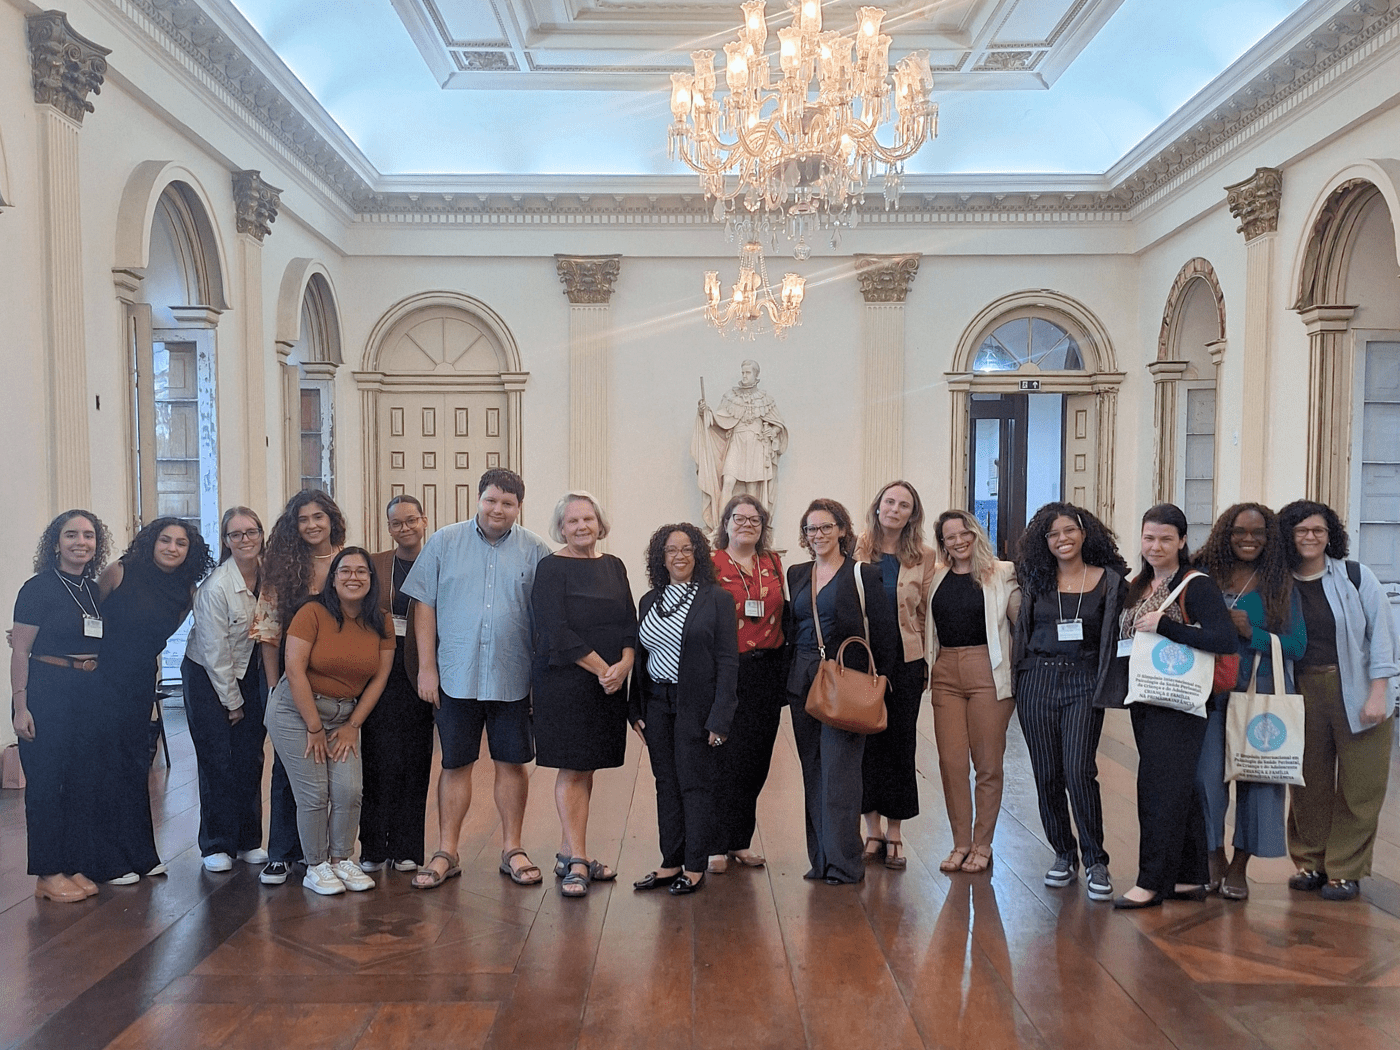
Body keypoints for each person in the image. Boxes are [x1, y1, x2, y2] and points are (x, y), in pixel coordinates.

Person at [403, 470, 551, 890]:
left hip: (512, 676)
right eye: (491, 500)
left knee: (512, 764)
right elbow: (424, 606)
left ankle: (512, 848)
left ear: (518, 506)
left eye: (507, 503)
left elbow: (544, 618)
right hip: (455, 675)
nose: (497, 509)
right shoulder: (445, 542)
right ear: (478, 499)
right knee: (454, 763)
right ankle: (447, 850)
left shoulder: (536, 550)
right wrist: (427, 668)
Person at [1114, 503, 1236, 909]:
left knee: (1157, 790)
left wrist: (1166, 626)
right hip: (1146, 696)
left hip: (1180, 702)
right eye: (1149, 537)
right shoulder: (1138, 583)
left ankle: (1151, 881)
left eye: (1166, 538)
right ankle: (1188, 876)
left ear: (1182, 541)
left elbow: (1224, 639)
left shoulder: (1196, 584)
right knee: (1174, 789)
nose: (1155, 546)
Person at [1278, 499, 1398, 902]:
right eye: (1301, 531)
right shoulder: (1280, 582)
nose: (1311, 538)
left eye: (1318, 531)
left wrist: (1380, 692)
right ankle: (1311, 862)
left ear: (1330, 536)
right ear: (1288, 537)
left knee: (1361, 785)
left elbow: (1382, 637)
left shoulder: (1355, 576)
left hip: (1360, 691)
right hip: (1303, 691)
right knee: (1307, 783)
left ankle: (1345, 870)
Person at [87, 517, 213, 884]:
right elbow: (83, 615)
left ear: (190, 551)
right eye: (165, 540)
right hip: (100, 679)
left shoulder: (187, 591)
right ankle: (107, 861)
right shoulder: (119, 572)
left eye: (181, 543)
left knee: (134, 767)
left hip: (140, 682)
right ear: (151, 542)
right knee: (106, 768)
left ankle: (141, 854)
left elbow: (158, 637)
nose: (172, 548)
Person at [1012, 503, 1128, 901]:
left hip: (1083, 680)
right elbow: (1022, 631)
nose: (1062, 539)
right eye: (1053, 534)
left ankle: (1097, 860)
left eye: (1068, 531)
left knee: (1079, 770)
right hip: (1038, 679)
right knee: (1047, 774)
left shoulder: (1110, 581)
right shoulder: (1036, 580)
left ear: (1084, 533)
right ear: (1044, 543)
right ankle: (1064, 853)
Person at [265, 547, 394, 895]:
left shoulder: (381, 620)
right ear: (333, 579)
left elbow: (380, 678)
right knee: (314, 794)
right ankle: (316, 865)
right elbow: (293, 670)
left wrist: (353, 725)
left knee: (350, 790)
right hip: (297, 713)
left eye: (362, 571)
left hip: (344, 718)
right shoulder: (312, 612)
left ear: (371, 578)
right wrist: (314, 728)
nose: (354, 577)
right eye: (345, 571)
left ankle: (341, 860)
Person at [785, 498, 900, 885]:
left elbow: (883, 632)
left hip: (845, 680)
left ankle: (845, 863)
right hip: (802, 680)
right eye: (810, 529)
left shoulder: (861, 574)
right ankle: (819, 860)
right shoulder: (797, 573)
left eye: (825, 527)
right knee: (813, 772)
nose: (818, 535)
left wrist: (882, 685)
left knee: (841, 773)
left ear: (842, 530)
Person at [1193, 503, 1304, 900]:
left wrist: (1252, 631)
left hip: (1261, 695)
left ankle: (1240, 864)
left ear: (1270, 538)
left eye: (1258, 533)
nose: (1249, 539)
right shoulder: (1204, 572)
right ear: (1226, 532)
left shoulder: (1280, 583)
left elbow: (1298, 645)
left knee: (1258, 781)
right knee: (1205, 780)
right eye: (1240, 531)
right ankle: (1212, 855)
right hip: (1209, 693)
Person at [530, 491, 636, 897]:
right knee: (572, 767)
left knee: (586, 768)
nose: (581, 527)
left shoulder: (614, 566)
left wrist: (624, 664)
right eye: (572, 521)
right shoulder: (550, 568)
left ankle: (566, 850)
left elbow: (629, 620)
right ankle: (578, 860)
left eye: (587, 520)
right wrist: (601, 668)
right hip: (565, 681)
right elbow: (553, 630)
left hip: (608, 682)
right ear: (561, 527)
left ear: (599, 523)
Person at [630, 523, 738, 895]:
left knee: (695, 784)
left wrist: (721, 716)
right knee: (666, 784)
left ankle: (694, 865)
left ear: (699, 555)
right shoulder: (650, 600)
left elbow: (727, 661)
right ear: (661, 557)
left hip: (697, 706)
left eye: (687, 549)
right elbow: (642, 657)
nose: (679, 556)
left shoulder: (717, 599)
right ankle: (670, 861)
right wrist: (636, 709)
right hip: (657, 705)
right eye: (671, 550)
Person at [10, 510, 110, 902]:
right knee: (47, 786)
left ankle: (72, 863)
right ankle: (47, 873)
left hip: (87, 691)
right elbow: (19, 650)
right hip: (46, 690)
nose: (80, 542)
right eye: (71, 535)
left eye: (88, 535)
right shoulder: (37, 589)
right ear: (56, 543)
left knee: (82, 782)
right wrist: (21, 705)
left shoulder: (92, 589)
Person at [251, 489, 347, 885]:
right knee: (289, 769)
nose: (311, 525)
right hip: (291, 683)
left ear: (331, 519)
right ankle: (281, 852)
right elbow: (268, 633)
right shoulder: (282, 568)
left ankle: (322, 856)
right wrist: (276, 689)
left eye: (318, 517)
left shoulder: (347, 560)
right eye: (303, 519)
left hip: (339, 684)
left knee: (333, 772)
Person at [927, 510, 1020, 877]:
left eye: (964, 532)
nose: (958, 540)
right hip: (946, 672)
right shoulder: (935, 577)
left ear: (976, 533)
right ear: (943, 543)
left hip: (989, 671)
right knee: (951, 763)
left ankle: (982, 844)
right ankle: (960, 843)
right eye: (950, 536)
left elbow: (1021, 618)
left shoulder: (1002, 572)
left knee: (987, 763)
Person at [853, 481, 937, 871]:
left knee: (901, 744)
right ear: (878, 505)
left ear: (912, 514)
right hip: (864, 660)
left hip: (905, 660)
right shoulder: (855, 547)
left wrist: (924, 663)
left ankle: (896, 831)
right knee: (866, 742)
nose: (895, 509)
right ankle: (871, 829)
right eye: (889, 501)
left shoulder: (924, 555)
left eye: (904, 505)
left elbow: (924, 615)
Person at [183, 507, 270, 872]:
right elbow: (215, 653)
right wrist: (232, 703)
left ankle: (249, 840)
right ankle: (216, 844)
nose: (245, 539)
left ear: (261, 535)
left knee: (250, 757)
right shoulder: (216, 587)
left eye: (251, 532)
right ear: (225, 541)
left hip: (251, 670)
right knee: (218, 759)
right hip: (207, 676)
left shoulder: (270, 578)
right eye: (236, 534)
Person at [707, 495, 786, 873]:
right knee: (723, 757)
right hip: (727, 669)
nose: (746, 525)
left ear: (763, 526)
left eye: (754, 520)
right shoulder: (710, 564)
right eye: (739, 519)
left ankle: (740, 839)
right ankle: (715, 843)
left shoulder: (772, 563)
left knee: (756, 759)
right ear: (725, 523)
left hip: (766, 671)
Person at [360, 495, 436, 874]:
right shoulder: (376, 564)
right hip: (381, 667)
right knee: (376, 757)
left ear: (424, 521)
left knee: (416, 757)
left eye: (410, 521)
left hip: (423, 667)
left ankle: (408, 848)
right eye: (396, 523)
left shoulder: (438, 559)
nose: (404, 528)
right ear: (388, 527)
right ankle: (373, 847)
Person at [692, 360, 789, 531]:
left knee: (752, 490)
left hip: (756, 445)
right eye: (743, 372)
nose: (744, 376)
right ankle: (721, 528)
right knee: (728, 480)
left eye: (748, 373)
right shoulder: (731, 397)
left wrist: (772, 432)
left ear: (756, 375)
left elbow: (778, 424)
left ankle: (752, 529)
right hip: (737, 441)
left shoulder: (765, 399)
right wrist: (705, 412)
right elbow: (719, 420)